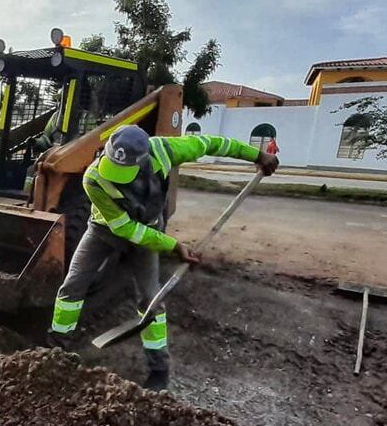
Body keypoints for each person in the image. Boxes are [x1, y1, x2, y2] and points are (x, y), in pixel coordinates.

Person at [49, 125, 279, 390]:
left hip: (148, 229)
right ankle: (57, 349)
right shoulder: (93, 178)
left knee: (151, 299)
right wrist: (173, 245)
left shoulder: (165, 150)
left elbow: (213, 144)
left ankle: (159, 370)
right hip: (104, 230)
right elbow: (124, 228)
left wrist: (257, 156)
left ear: (144, 159)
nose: (116, 175)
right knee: (73, 285)